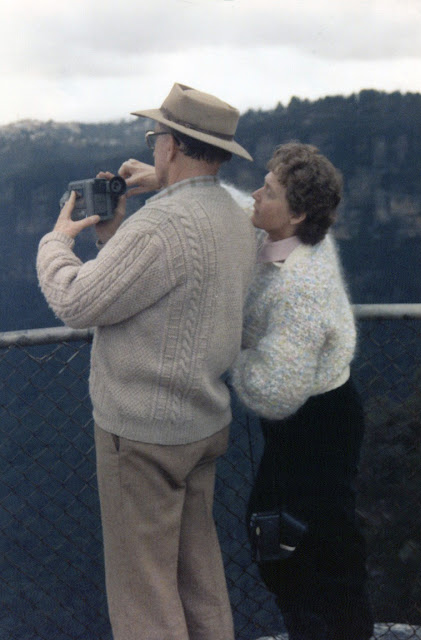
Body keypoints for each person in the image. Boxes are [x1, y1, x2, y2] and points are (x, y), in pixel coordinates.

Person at [36, 82, 257, 640]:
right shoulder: (236, 215)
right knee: (198, 578)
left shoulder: (160, 225)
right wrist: (116, 238)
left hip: (143, 436)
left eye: (156, 135)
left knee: (145, 597)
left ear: (173, 145)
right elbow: (157, 286)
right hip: (202, 423)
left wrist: (56, 242)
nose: (154, 144)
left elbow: (77, 302)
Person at [230, 143, 374, 640]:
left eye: (268, 190)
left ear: (296, 214)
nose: (256, 194)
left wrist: (228, 349)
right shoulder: (291, 236)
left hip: (315, 422)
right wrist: (166, 181)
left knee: (302, 546)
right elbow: (236, 205)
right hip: (319, 412)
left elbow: (275, 394)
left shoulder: (300, 287)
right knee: (304, 536)